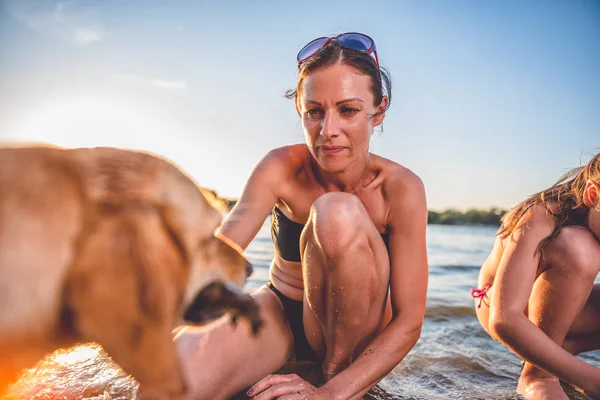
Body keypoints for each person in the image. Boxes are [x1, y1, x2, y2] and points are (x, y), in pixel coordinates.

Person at [148, 32, 429, 400]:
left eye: (348, 110)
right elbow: (223, 249)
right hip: (280, 315)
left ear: (378, 111)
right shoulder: (280, 166)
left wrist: (329, 392)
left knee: (336, 210)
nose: (328, 131)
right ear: (300, 110)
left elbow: (409, 322)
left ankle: (334, 374)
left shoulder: (402, 188)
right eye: (314, 112)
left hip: (357, 336)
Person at [473, 152, 600, 399]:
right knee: (580, 248)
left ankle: (560, 352)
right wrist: (592, 380)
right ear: (593, 195)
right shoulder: (542, 215)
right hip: (499, 306)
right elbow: (504, 318)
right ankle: (539, 374)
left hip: (557, 311)